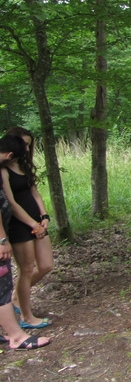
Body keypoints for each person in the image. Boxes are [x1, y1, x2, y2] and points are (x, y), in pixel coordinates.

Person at [0, 135, 51, 350]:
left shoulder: (24, 166)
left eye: (29, 145)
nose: (28, 149)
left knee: (46, 265)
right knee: (26, 270)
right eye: (24, 145)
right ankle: (24, 318)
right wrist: (32, 225)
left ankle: (14, 303)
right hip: (19, 226)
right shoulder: (3, 171)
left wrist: (44, 217)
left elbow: (34, 193)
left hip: (36, 222)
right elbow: (10, 203)